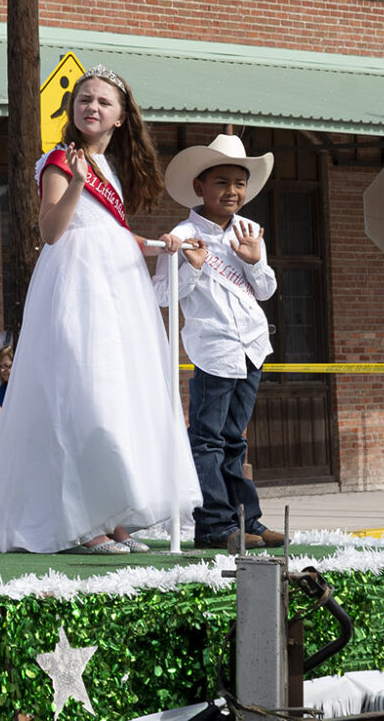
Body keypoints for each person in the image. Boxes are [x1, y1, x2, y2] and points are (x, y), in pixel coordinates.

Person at [0, 66, 199, 554]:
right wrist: (77, 183)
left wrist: (158, 246)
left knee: (117, 396)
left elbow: (110, 235)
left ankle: (112, 516)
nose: (91, 107)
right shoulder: (61, 160)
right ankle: (81, 524)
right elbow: (53, 232)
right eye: (84, 99)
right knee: (86, 396)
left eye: (103, 102)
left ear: (121, 118)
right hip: (76, 287)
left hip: (116, 289)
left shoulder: (110, 169)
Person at [151, 133, 286, 551]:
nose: (232, 191)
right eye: (222, 182)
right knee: (208, 439)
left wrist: (253, 260)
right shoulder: (182, 234)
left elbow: (265, 290)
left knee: (235, 438)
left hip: (252, 347)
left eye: (239, 183)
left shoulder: (247, 231)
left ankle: (246, 519)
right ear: (200, 187)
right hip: (213, 350)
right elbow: (161, 295)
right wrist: (190, 267)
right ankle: (213, 524)